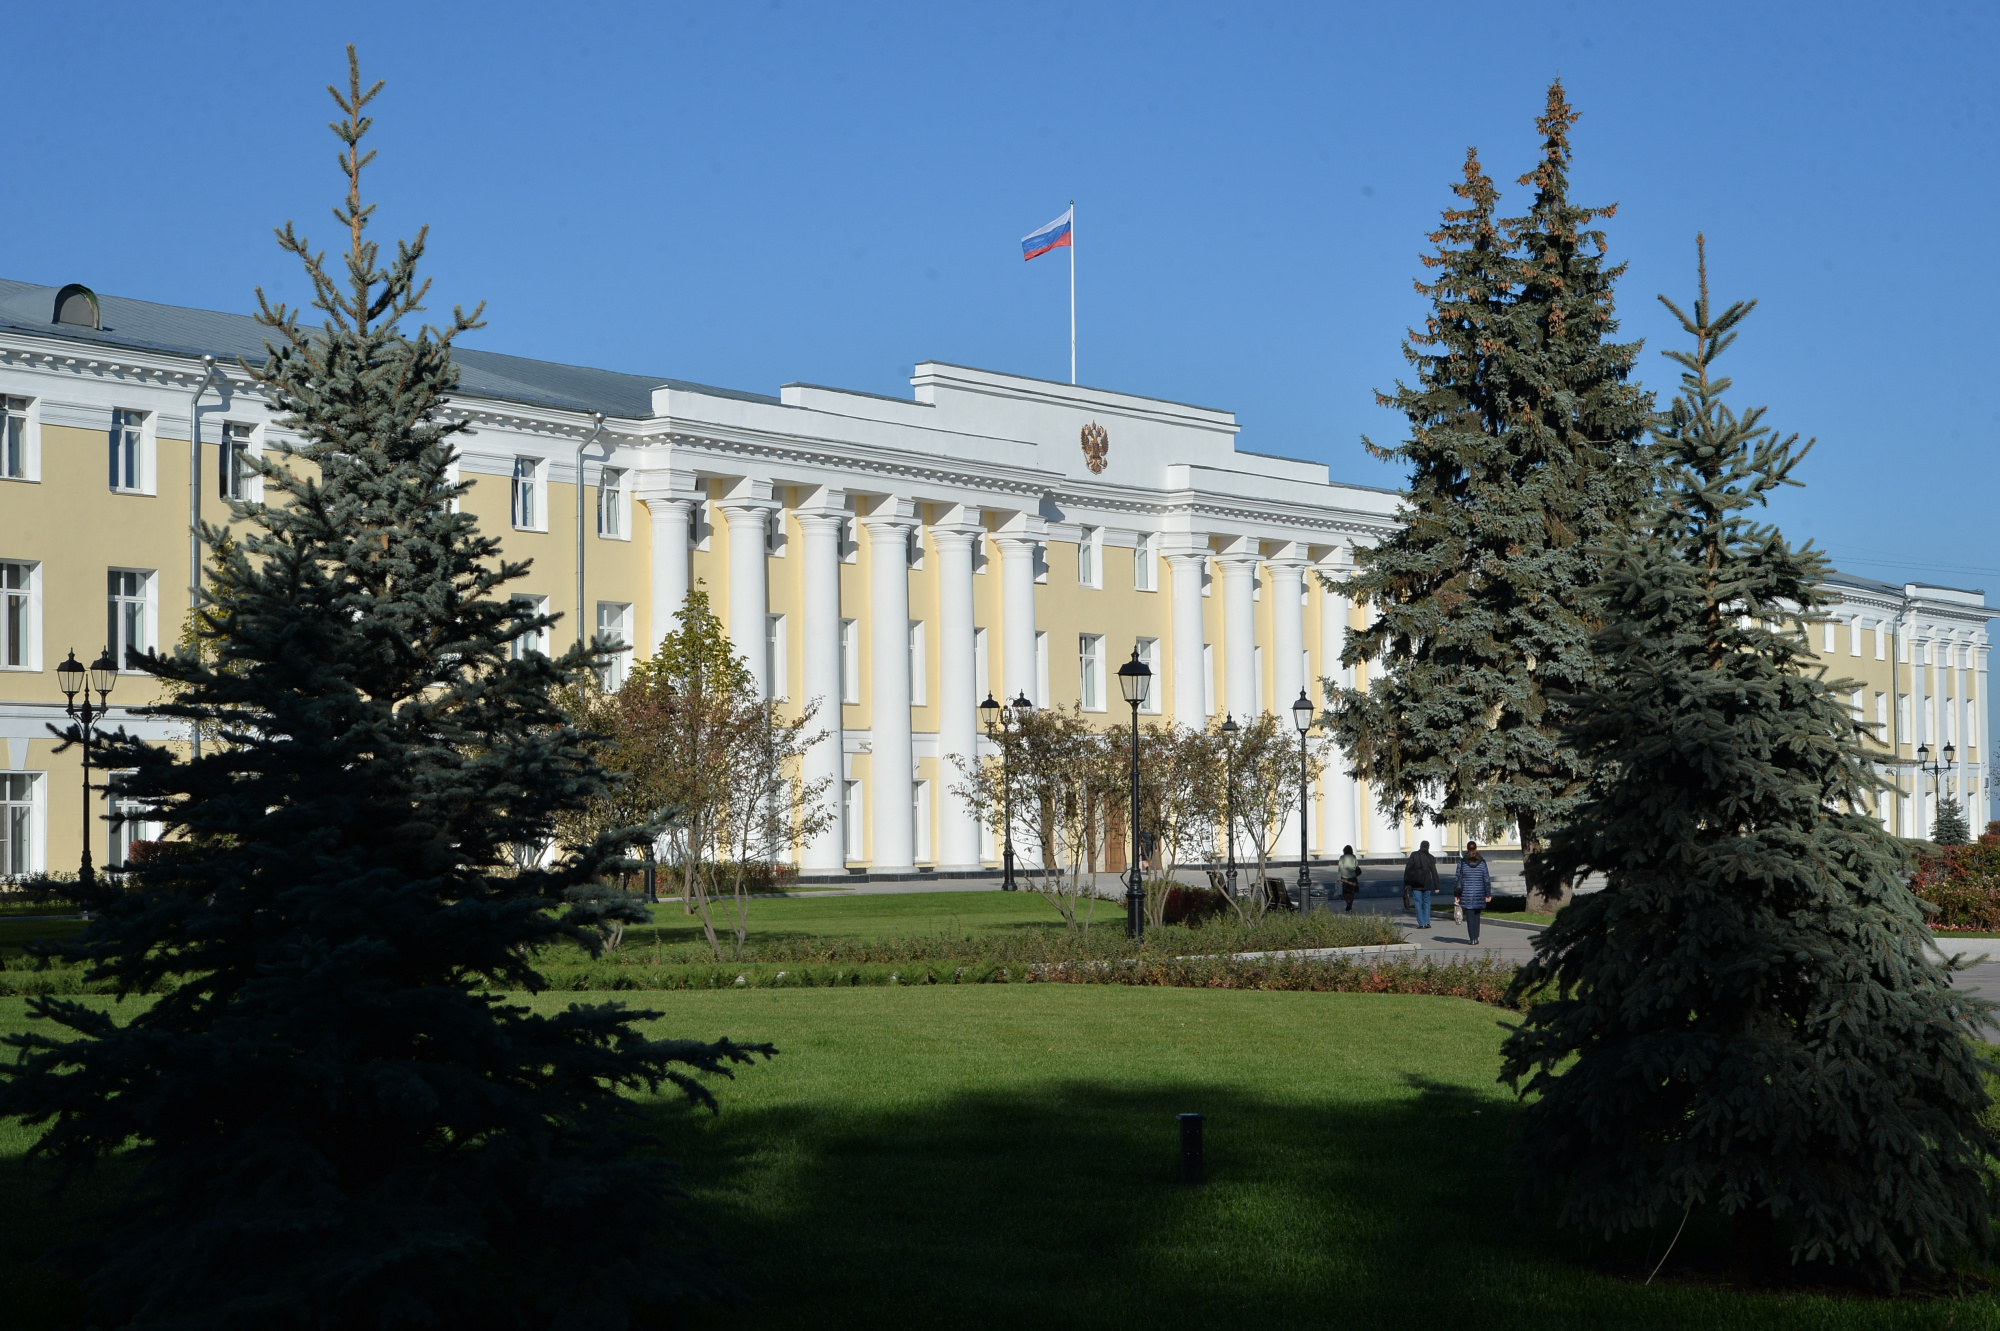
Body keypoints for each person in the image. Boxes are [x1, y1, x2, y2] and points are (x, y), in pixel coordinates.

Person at [1455, 840, 1492, 945]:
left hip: (1466, 892)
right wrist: (1488, 893)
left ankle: (1472, 939)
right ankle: (1476, 937)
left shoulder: (1462, 863)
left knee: (1470, 916)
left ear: (1467, 849)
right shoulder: (1482, 862)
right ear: (1476, 849)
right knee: (1477, 915)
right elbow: (1486, 879)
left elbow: (1457, 879)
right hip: (1479, 892)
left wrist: (1457, 894)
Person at [1404, 839, 1439, 928]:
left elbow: (1408, 868)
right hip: (1427, 883)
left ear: (1420, 846)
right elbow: (1434, 872)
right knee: (1427, 902)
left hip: (1416, 883)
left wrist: (1406, 881)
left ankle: (1421, 923)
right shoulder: (1430, 857)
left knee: (1418, 902)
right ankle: (1427, 922)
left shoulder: (1414, 855)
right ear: (1428, 847)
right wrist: (1437, 886)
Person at [1336, 845, 1361, 913]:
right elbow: (1356, 865)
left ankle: (1348, 903)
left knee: (1345, 893)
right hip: (1353, 876)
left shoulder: (1342, 857)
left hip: (1344, 877)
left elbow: (1340, 868)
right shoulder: (1353, 857)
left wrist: (1338, 878)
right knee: (1352, 892)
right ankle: (1351, 905)